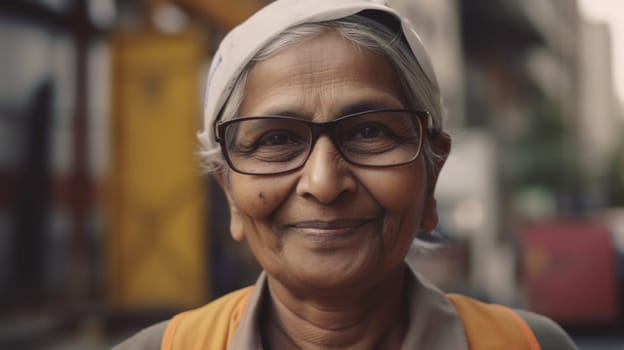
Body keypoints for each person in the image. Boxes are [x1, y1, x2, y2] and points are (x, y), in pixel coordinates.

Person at [115, 0, 578, 348]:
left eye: (371, 132)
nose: (323, 182)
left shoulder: (528, 344)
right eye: (276, 140)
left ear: (432, 174)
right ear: (230, 192)